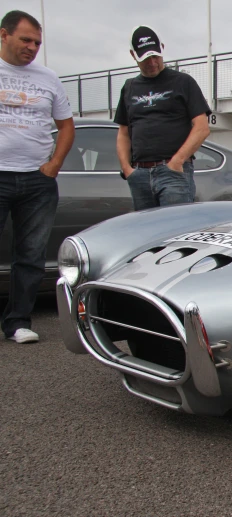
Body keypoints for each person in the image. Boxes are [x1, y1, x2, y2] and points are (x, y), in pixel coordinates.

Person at [0, 10, 74, 343]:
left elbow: (66, 126)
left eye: (37, 42)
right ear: (4, 35)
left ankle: (18, 323)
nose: (32, 47)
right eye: (26, 40)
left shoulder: (48, 78)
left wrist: (55, 162)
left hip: (37, 181)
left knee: (30, 255)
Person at [115, 25, 211, 210]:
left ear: (162, 48)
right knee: (147, 234)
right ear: (133, 55)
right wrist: (128, 170)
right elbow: (123, 133)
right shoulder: (129, 87)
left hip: (173, 172)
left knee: (175, 230)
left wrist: (177, 161)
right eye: (145, 58)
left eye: (155, 56)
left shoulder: (183, 82)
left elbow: (202, 127)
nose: (152, 63)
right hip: (140, 174)